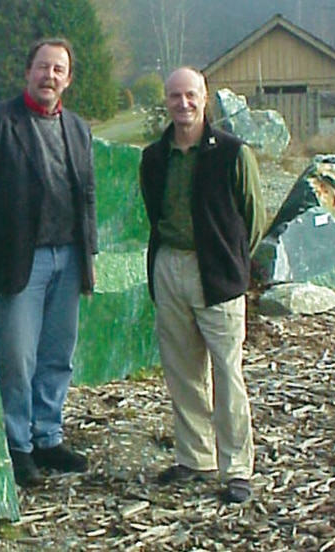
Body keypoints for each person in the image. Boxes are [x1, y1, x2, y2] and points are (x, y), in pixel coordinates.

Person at [0, 38, 98, 488]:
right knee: (17, 358)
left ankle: (48, 437)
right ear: (27, 72)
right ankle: (17, 446)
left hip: (70, 256)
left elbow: (87, 195)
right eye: (42, 67)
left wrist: (88, 253)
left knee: (57, 356)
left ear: (68, 79)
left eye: (58, 69)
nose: (49, 76)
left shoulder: (78, 128)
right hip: (22, 260)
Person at [138, 66, 266, 504]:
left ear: (205, 97)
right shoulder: (153, 157)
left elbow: (253, 219)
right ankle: (195, 458)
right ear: (167, 101)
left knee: (227, 373)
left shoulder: (232, 153)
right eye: (175, 96)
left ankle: (237, 469)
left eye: (190, 94)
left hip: (217, 273)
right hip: (169, 266)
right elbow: (153, 211)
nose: (183, 103)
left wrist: (231, 260)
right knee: (182, 371)